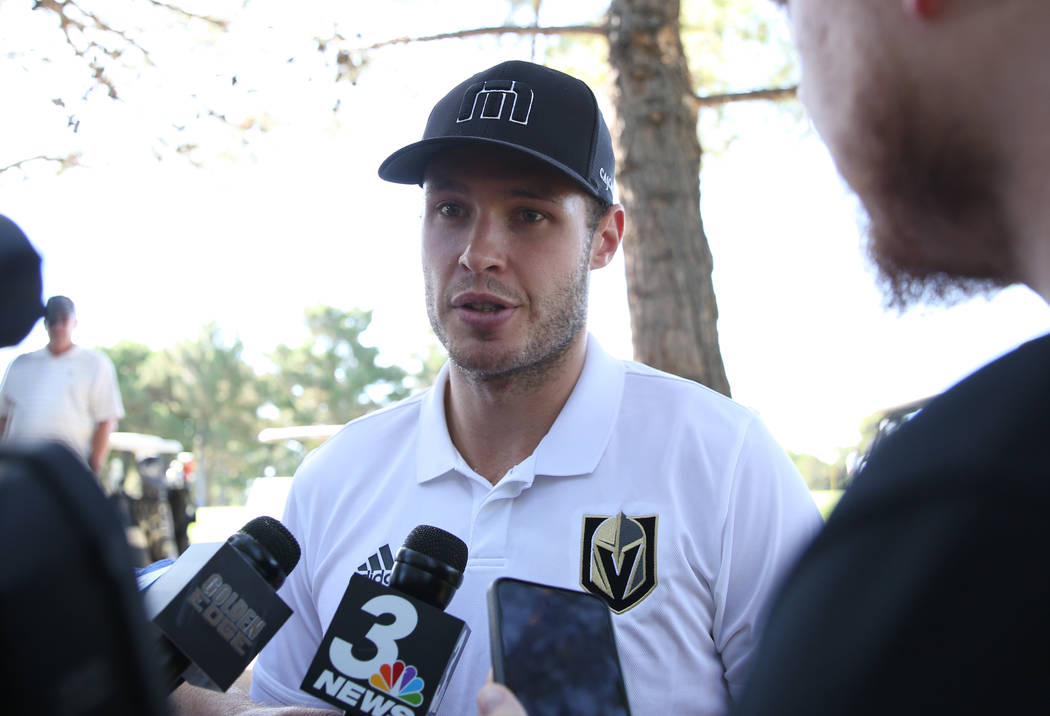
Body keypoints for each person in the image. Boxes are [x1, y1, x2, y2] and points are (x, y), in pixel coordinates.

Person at [171, 60, 821, 716]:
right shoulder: (334, 481)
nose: (478, 252)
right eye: (451, 209)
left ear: (604, 240)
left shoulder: (725, 462)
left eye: (529, 215)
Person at [481, 1, 1050, 714]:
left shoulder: (969, 504)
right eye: (447, 210)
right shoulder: (975, 490)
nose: (805, 89)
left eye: (792, 13)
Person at [0, 295, 124, 476]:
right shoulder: (20, 364)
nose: (58, 326)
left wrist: (94, 466)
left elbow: (106, 419)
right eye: (52, 321)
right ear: (45, 324)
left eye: (63, 320)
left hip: (69, 469)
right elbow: (3, 417)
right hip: (18, 468)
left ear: (74, 322)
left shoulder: (96, 364)